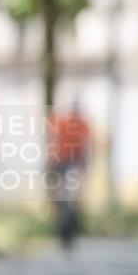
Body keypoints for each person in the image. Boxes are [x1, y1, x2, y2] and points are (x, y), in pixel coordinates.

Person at [46, 100, 91, 245]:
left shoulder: (64, 121)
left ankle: (69, 222)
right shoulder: (75, 123)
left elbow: (52, 140)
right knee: (69, 195)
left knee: (66, 194)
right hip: (66, 162)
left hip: (68, 162)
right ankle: (68, 222)